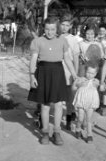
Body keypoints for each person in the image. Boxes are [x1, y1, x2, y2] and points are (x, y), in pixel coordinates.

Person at [28, 17, 77, 146]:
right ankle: (44, 132)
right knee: (45, 105)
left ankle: (56, 132)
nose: (50, 32)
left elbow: (66, 58)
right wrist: (32, 76)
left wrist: (74, 73)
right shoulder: (37, 41)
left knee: (59, 104)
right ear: (43, 28)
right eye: (47, 29)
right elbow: (33, 59)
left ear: (57, 29)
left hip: (58, 72)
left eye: (53, 29)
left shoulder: (63, 41)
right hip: (43, 72)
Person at [60, 16, 80, 130]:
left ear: (71, 27)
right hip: (57, 69)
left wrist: (75, 74)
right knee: (57, 96)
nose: (64, 27)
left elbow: (76, 58)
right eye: (62, 24)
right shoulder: (56, 37)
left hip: (69, 70)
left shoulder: (73, 39)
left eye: (67, 25)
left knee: (69, 96)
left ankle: (68, 117)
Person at [72, 64, 100, 144]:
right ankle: (78, 129)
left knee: (89, 119)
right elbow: (74, 88)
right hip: (81, 101)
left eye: (92, 73)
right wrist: (77, 84)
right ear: (85, 71)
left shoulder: (96, 81)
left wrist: (101, 85)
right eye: (88, 72)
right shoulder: (81, 79)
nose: (89, 75)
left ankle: (89, 134)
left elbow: (101, 87)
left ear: (95, 74)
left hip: (91, 101)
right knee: (80, 118)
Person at [96, 22, 106, 116]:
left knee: (103, 84)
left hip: (104, 64)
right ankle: (96, 104)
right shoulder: (95, 39)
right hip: (95, 63)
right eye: (100, 30)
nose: (101, 32)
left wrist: (102, 42)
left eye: (103, 31)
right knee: (96, 83)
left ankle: (104, 105)